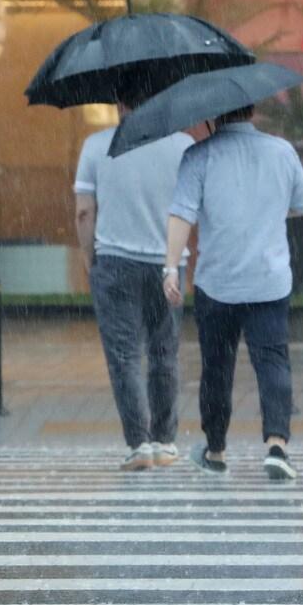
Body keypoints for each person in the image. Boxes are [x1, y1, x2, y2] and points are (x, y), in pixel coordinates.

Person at [162, 105, 303, 480]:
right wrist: (265, 212)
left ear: (213, 114)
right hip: (268, 280)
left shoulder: (199, 155)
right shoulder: (282, 151)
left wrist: (170, 267)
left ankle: (215, 450)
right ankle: (277, 445)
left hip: (218, 282)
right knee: (273, 361)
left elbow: (182, 213)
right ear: (253, 110)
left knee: (216, 368)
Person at [74, 87, 193, 471]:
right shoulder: (182, 146)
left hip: (115, 261)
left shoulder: (96, 145)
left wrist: (88, 255)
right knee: (164, 352)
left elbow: (83, 212)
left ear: (119, 102)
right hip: (168, 263)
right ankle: (164, 439)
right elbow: (190, 208)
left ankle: (138, 443)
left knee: (124, 355)